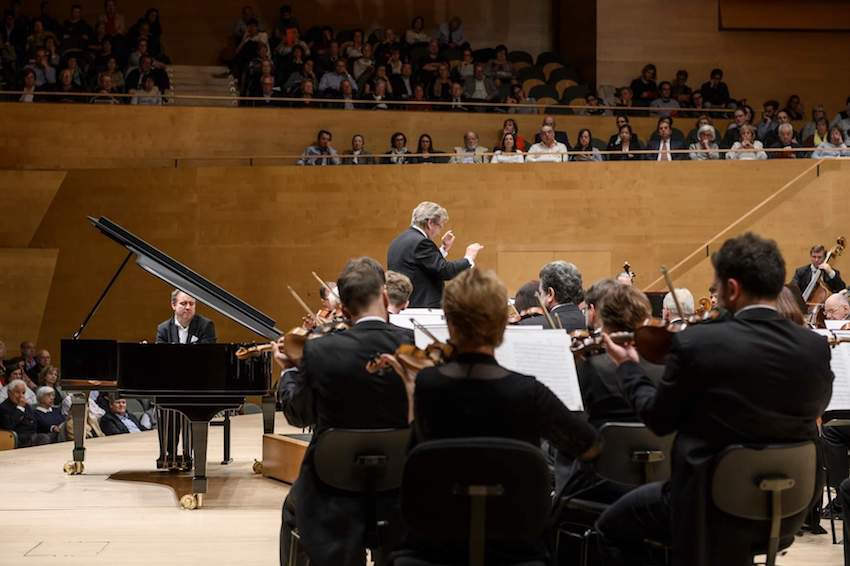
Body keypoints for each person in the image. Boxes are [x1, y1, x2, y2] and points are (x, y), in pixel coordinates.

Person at [598, 232, 833, 566]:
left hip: (707, 505)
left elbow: (658, 420)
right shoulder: (814, 346)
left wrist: (628, 368)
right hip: (787, 506)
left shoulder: (699, 343)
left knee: (610, 527)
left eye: (717, 288)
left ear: (733, 289)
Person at [393, 268, 600, 565]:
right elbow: (590, 446)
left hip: (437, 543)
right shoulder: (529, 392)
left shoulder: (426, 387)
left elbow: (416, 468)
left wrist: (413, 397)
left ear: (449, 323)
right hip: (517, 543)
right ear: (503, 325)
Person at [277, 257, 415, 566]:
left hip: (332, 488)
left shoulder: (319, 351)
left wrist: (288, 372)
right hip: (399, 487)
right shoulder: (414, 348)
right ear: (383, 296)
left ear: (345, 308)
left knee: (292, 510)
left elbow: (299, 415)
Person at [387, 201, 483, 308]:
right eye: (440, 226)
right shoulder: (421, 242)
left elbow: (422, 265)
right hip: (422, 309)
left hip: (405, 306)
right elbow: (444, 271)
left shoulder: (399, 240)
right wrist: (468, 258)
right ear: (430, 223)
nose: (439, 232)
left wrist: (443, 249)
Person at [517, 261, 585, 331]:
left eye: (541, 292)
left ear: (550, 294)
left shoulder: (529, 326)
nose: (540, 296)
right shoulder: (590, 323)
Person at [0, 380, 53, 447]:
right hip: (15, 438)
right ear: (9, 393)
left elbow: (32, 421)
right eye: (17, 392)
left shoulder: (26, 405)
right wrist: (20, 408)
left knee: (48, 436)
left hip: (31, 435)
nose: (21, 396)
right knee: (44, 438)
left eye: (23, 393)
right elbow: (10, 425)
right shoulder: (3, 407)